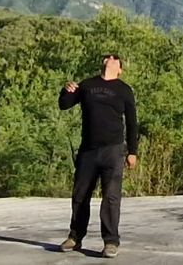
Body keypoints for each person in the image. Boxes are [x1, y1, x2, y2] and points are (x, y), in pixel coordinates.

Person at [58, 52, 139, 257]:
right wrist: (66, 91)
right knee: (80, 195)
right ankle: (75, 237)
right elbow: (64, 105)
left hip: (113, 150)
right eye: (107, 56)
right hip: (88, 150)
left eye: (115, 57)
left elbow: (132, 123)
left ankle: (110, 241)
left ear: (120, 69)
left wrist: (132, 152)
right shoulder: (87, 85)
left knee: (111, 197)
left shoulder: (124, 90)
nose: (110, 57)